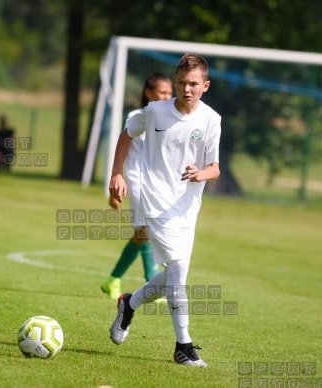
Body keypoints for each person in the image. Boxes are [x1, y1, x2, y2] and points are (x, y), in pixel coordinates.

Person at [108, 54, 221, 367]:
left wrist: (201, 173)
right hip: (156, 202)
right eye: (182, 83)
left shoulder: (211, 120)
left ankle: (129, 303)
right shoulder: (155, 111)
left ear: (205, 86)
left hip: (188, 207)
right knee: (178, 273)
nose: (187, 89)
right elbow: (126, 134)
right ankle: (183, 345)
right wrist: (117, 173)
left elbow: (215, 167)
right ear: (175, 83)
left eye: (194, 84)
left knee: (175, 273)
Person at [101, 73, 173, 300]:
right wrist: (115, 181)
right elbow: (124, 145)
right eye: (162, 92)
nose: (167, 96)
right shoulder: (137, 116)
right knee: (145, 232)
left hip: (158, 183)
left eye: (169, 92)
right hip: (136, 180)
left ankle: (112, 279)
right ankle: (152, 282)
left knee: (142, 233)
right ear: (148, 93)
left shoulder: (172, 118)